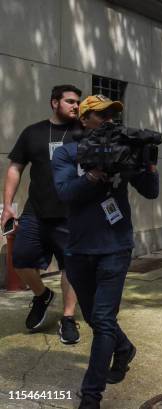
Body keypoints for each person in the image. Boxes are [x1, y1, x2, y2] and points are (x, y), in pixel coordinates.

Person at [52, 95, 159, 409]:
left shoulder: (126, 152)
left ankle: (91, 396)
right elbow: (65, 194)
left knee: (102, 317)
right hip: (77, 249)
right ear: (84, 120)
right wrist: (93, 174)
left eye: (113, 115)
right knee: (95, 319)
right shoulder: (67, 154)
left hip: (115, 247)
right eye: (101, 115)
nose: (110, 120)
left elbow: (151, 192)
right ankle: (123, 349)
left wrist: (146, 162)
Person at [1, 84, 82, 344]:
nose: (75, 106)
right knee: (21, 260)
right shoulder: (33, 133)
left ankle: (68, 319)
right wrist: (8, 205)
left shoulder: (82, 132)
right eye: (69, 101)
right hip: (35, 212)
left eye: (77, 102)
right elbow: (16, 168)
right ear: (54, 103)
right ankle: (42, 295)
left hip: (71, 214)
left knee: (70, 268)